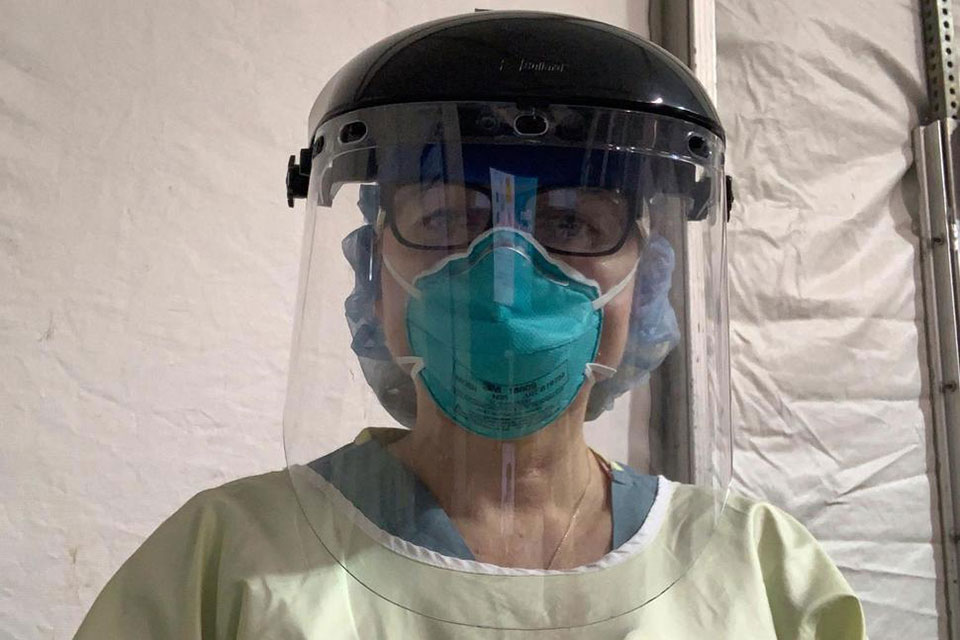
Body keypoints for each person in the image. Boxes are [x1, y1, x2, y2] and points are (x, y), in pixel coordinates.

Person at [76, 10, 866, 638]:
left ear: (647, 280)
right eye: (449, 217)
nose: (506, 281)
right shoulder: (222, 564)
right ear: (373, 274)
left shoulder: (763, 574)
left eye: (573, 223)